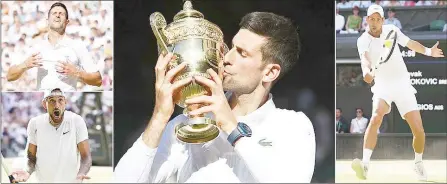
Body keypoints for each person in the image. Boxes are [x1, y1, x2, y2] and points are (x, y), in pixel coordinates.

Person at [114, 12, 315, 183]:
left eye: (242, 53)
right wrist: (159, 117)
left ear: (270, 72)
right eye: (232, 47)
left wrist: (231, 128)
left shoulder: (293, 125)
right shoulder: (188, 123)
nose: (226, 58)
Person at [353, 4, 444, 181]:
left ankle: (418, 163)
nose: (374, 22)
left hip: (403, 85)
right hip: (382, 86)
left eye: (378, 19)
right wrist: (366, 72)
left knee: (419, 130)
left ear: (382, 20)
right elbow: (365, 60)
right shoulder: (362, 40)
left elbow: (410, 44)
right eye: (371, 19)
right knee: (376, 117)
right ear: (367, 20)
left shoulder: (392, 31)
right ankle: (364, 165)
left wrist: (428, 51)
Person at [6, 2, 102, 91]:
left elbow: (98, 80)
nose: (57, 15)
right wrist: (25, 65)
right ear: (47, 20)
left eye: (61, 14)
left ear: (67, 21)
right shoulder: (36, 46)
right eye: (54, 13)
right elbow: (10, 76)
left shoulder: (77, 46)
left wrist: (76, 72)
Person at [10, 88, 92, 183]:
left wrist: (81, 174)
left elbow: (86, 156)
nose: (56, 105)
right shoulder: (35, 123)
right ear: (45, 104)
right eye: (52, 100)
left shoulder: (77, 121)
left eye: (60, 100)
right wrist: (27, 172)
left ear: (65, 102)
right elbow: (31, 157)